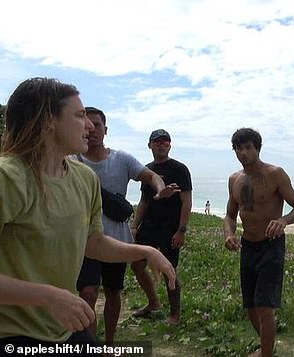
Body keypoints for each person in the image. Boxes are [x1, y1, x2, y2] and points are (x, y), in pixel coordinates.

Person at [0, 78, 175, 353]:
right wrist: (47, 297)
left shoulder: (84, 179)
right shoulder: (7, 178)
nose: (90, 126)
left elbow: (93, 242)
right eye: (80, 116)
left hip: (62, 329)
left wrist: (145, 251)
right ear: (48, 121)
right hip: (11, 334)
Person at [74, 107, 180, 344]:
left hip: (115, 239)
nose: (91, 130)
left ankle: (109, 342)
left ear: (105, 129)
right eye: (86, 124)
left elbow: (151, 176)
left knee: (113, 291)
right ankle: (90, 344)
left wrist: (161, 189)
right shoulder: (72, 159)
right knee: (88, 293)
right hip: (83, 240)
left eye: (97, 125)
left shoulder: (121, 159)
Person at [223, 128, 294, 357]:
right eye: (239, 148)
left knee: (263, 306)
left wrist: (283, 220)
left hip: (271, 245)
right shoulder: (235, 180)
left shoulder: (275, 174)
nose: (244, 153)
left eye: (248, 147)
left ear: (257, 148)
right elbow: (230, 215)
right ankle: (266, 347)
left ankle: (266, 354)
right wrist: (229, 235)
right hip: (247, 245)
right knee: (250, 306)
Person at [130, 129, 192, 325]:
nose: (161, 144)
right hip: (149, 226)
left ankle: (174, 315)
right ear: (150, 145)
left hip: (170, 228)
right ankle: (153, 303)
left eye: (165, 141)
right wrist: (134, 226)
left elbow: (186, 202)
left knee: (169, 271)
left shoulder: (180, 169)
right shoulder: (147, 170)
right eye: (157, 141)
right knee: (137, 265)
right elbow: (144, 201)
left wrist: (181, 230)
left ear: (170, 145)